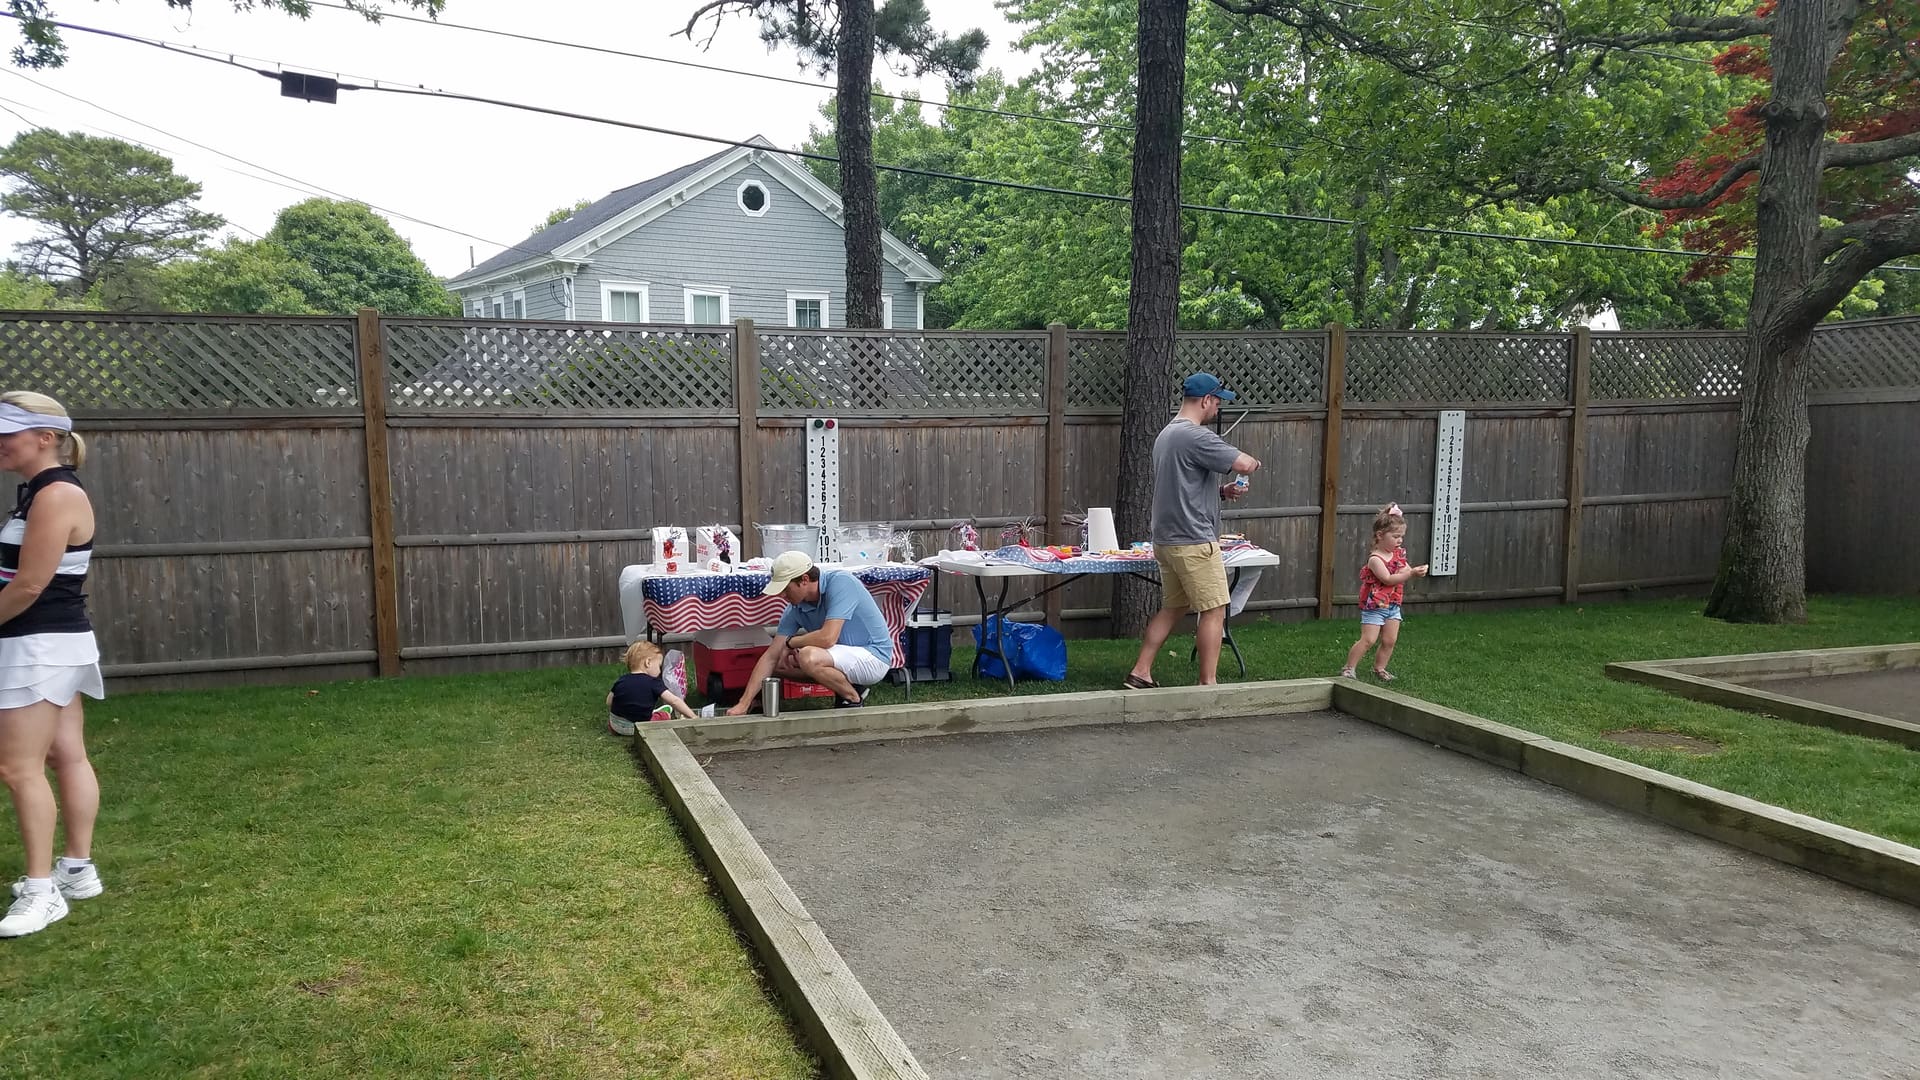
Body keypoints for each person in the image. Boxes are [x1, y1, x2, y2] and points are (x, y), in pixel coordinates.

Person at [0, 392, 104, 939]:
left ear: (46, 437)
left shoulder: (55, 494)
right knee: (66, 755)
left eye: (7, 432)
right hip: (51, 642)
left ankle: (43, 891)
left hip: (38, 645)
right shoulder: (39, 493)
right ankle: (77, 872)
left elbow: (31, 586)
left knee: (18, 767)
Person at [1124, 372, 1261, 689]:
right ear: (1205, 400)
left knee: (1173, 607)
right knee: (1215, 610)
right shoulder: (1196, 436)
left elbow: (1183, 486)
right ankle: (1207, 685)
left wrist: (1223, 492)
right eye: (1217, 402)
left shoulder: (1166, 435)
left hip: (1167, 540)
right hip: (1194, 540)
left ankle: (1140, 671)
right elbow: (1243, 463)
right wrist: (1253, 463)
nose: (1217, 409)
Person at [727, 551, 892, 715]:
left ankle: (852, 699)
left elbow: (828, 638)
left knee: (808, 656)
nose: (782, 595)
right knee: (777, 664)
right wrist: (743, 703)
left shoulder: (841, 583)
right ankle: (851, 686)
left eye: (785, 588)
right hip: (843, 657)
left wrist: (791, 642)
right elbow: (770, 657)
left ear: (804, 580)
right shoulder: (794, 608)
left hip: (875, 657)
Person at [1341, 503, 1429, 681]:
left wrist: (1415, 571)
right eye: (1395, 536)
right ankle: (1349, 668)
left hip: (1393, 605)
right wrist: (1409, 574)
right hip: (1374, 606)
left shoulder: (1398, 555)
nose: (1400, 540)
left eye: (1401, 536)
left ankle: (1380, 668)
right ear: (1380, 535)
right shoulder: (1375, 559)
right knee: (1369, 640)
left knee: (1390, 640)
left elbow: (1406, 570)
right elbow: (1387, 579)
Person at [606, 640, 697, 735]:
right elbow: (674, 701)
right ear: (648, 662)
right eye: (659, 666)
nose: (659, 671)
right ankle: (660, 713)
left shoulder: (622, 680)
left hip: (615, 727)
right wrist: (693, 717)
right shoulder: (653, 682)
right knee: (663, 716)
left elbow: (609, 701)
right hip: (638, 729)